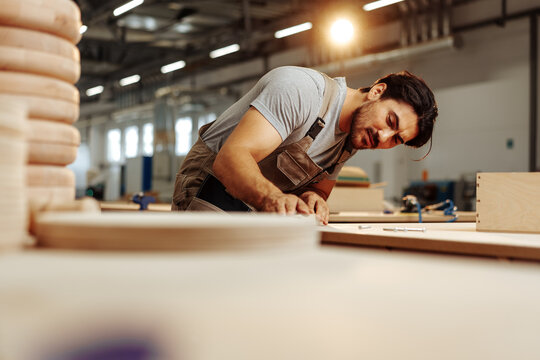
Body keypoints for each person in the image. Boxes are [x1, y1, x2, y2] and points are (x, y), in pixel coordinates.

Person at [172, 66, 437, 224]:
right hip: (209, 185)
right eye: (390, 120)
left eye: (396, 139)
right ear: (377, 91)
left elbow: (317, 190)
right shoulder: (301, 91)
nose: (384, 137)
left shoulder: (353, 137)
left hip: (256, 206)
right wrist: (273, 197)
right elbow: (231, 160)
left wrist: (312, 198)